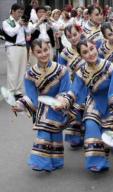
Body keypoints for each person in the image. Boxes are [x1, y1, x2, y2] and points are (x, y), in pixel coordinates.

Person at [58, 39, 113, 173]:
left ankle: (103, 157)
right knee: (90, 125)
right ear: (81, 56)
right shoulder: (81, 72)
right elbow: (74, 90)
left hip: (110, 102)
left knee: (105, 133)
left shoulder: (109, 66)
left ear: (96, 48)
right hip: (93, 101)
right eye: (85, 52)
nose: (90, 53)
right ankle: (96, 162)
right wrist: (64, 102)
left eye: (91, 49)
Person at [12, 39, 70, 172]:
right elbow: (32, 97)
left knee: (55, 136)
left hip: (58, 106)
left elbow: (66, 90)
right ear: (32, 53)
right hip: (42, 109)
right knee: (44, 131)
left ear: (49, 49)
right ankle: (40, 161)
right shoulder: (29, 75)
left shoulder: (62, 70)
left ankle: (56, 161)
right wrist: (19, 105)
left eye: (45, 50)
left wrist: (60, 102)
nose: (43, 54)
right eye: (39, 52)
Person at [58, 24, 87, 149]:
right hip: (75, 85)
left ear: (80, 33)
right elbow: (61, 72)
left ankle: (89, 134)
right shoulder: (65, 53)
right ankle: (75, 137)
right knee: (75, 110)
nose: (73, 38)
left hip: (91, 83)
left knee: (89, 110)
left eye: (75, 35)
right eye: (69, 37)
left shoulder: (88, 47)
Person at [2, 3, 28, 100]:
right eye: (18, 12)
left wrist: (26, 25)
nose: (20, 14)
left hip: (23, 47)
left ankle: (18, 91)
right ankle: (11, 91)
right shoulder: (7, 22)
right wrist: (18, 24)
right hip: (13, 47)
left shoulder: (21, 21)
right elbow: (11, 33)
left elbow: (29, 31)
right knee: (13, 70)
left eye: (21, 12)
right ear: (12, 11)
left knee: (22, 70)